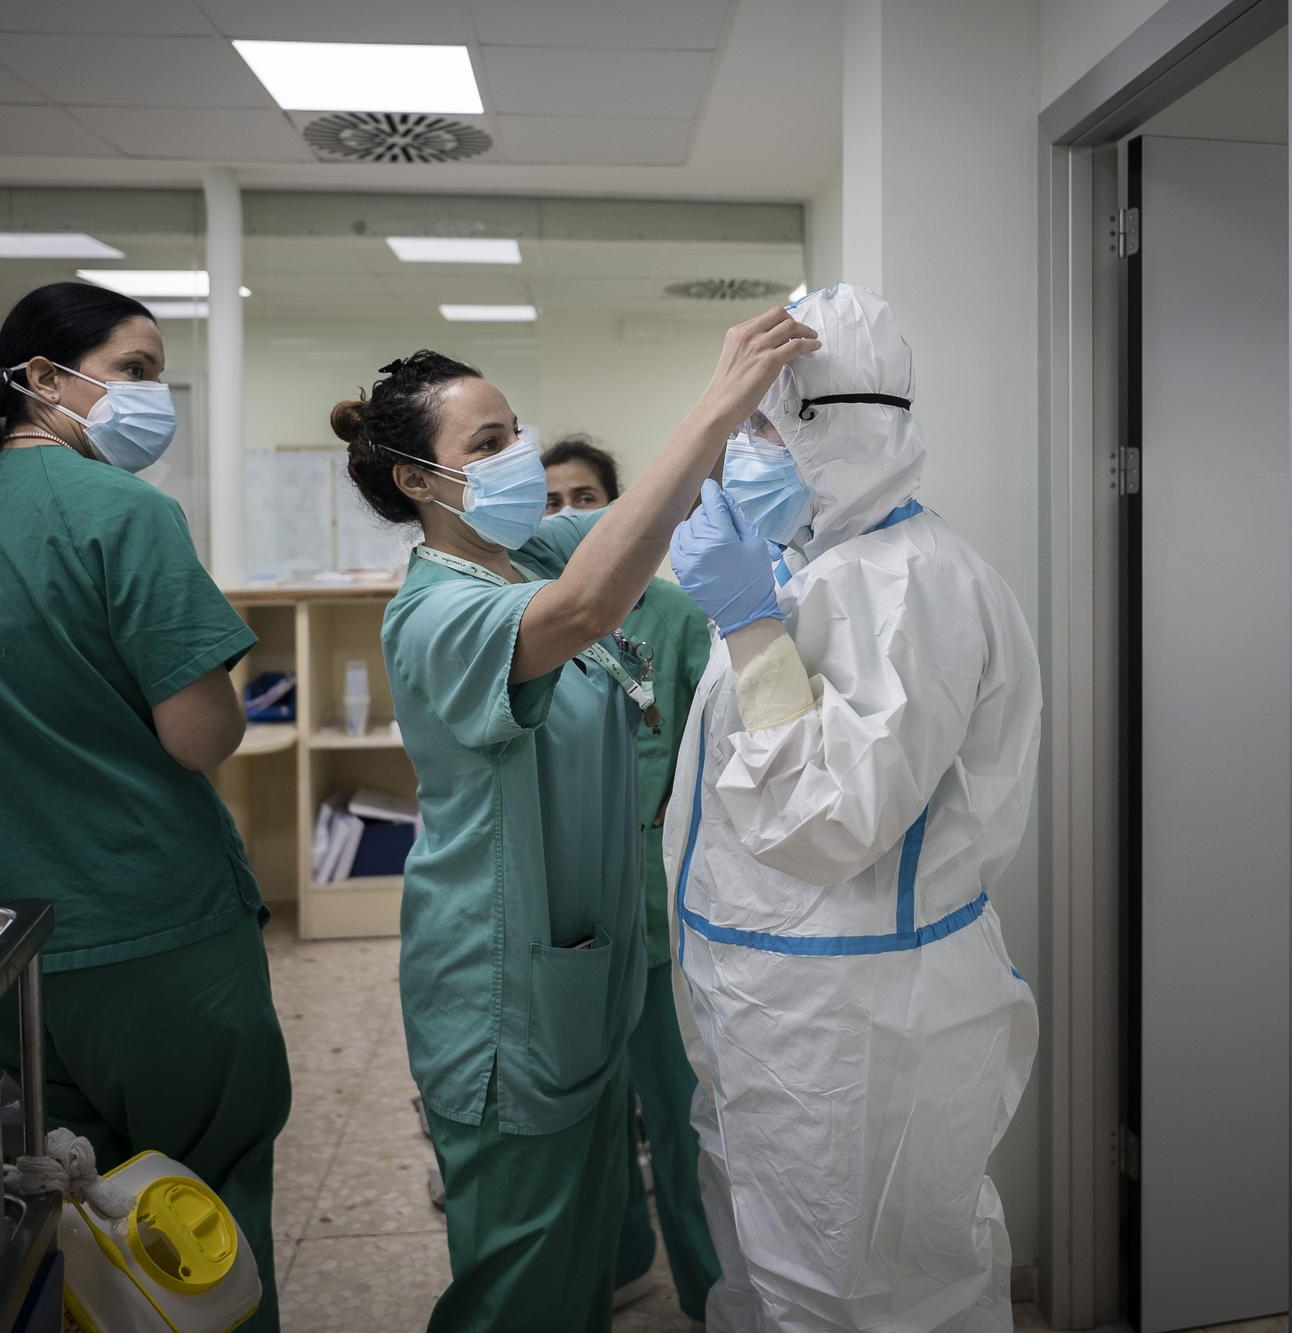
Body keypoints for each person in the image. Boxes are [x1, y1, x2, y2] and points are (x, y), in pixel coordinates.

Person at [331, 306, 817, 1333]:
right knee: (522, 1293)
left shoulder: (528, 552)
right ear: (418, 483)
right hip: (500, 993)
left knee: (579, 1265)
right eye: (488, 444)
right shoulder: (439, 612)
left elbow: (643, 515)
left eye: (515, 429)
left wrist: (765, 438)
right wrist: (714, 400)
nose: (518, 455)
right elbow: (593, 607)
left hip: (579, 976)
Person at [0, 282, 290, 1332]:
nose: (154, 394)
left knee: (58, 1212)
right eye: (135, 369)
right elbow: (199, 735)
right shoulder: (124, 513)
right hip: (145, 934)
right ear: (42, 379)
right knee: (197, 1207)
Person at [664, 284, 1041, 1332]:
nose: (740, 451)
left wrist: (744, 625)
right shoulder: (815, 568)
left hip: (858, 1027)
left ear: (832, 426)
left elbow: (829, 817)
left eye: (758, 426)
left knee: (868, 1296)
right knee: (772, 1274)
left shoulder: (910, 584)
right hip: (777, 1004)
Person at [538, 435, 722, 1322]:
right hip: (572, 912)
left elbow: (714, 762)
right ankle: (617, 1267)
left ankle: (707, 1289)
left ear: (621, 507)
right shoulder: (532, 619)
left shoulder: (679, 618)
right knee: (597, 1119)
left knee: (681, 1118)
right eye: (552, 500)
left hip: (661, 911)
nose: (569, 513)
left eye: (586, 496)